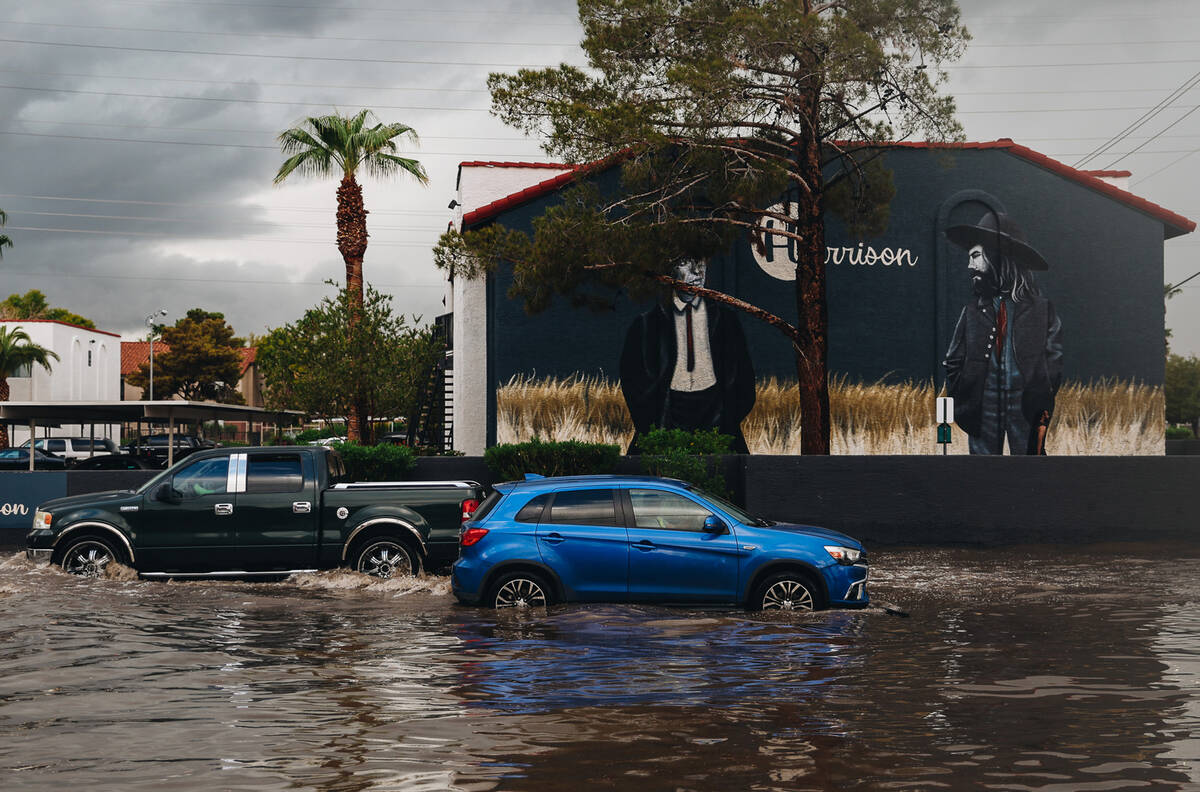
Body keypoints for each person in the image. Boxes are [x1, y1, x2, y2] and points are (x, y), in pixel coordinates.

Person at [943, 211, 1063, 455]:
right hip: (982, 406)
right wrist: (966, 395)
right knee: (982, 476)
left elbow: (1055, 363)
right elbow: (953, 360)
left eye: (976, 256)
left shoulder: (1042, 310)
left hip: (1027, 407)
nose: (970, 265)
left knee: (1031, 470)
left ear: (996, 256)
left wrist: (1039, 396)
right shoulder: (972, 312)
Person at [620, 258, 756, 453]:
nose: (697, 273)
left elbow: (744, 378)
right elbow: (632, 381)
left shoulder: (726, 320)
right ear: (670, 270)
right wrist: (653, 421)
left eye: (701, 265)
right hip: (666, 417)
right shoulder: (646, 325)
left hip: (716, 418)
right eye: (686, 264)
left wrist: (727, 417)